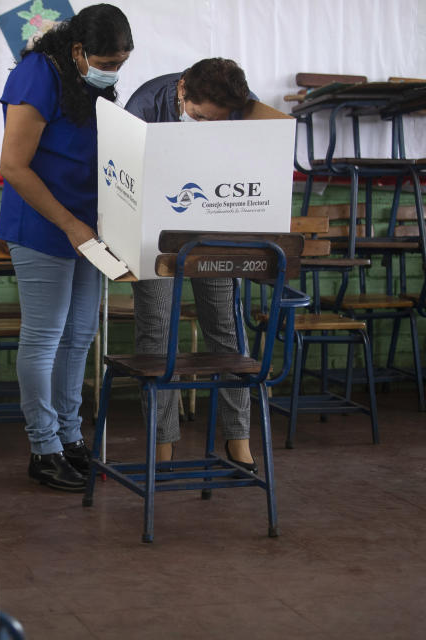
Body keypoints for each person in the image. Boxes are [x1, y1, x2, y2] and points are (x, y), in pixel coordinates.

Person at [0, 4, 133, 492]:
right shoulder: (38, 74)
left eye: (121, 63)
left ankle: (72, 438)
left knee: (79, 337)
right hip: (44, 225)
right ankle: (43, 448)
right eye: (107, 62)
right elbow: (13, 165)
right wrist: (71, 224)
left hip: (87, 230)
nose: (113, 72)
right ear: (78, 50)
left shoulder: (86, 80)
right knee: (44, 337)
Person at [124, 58, 258, 472]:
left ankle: (239, 439)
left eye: (215, 122)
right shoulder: (143, 106)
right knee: (157, 332)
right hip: (155, 233)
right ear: (182, 90)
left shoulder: (241, 104)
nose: (204, 125)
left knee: (226, 329)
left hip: (213, 227)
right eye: (199, 117)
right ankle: (162, 444)